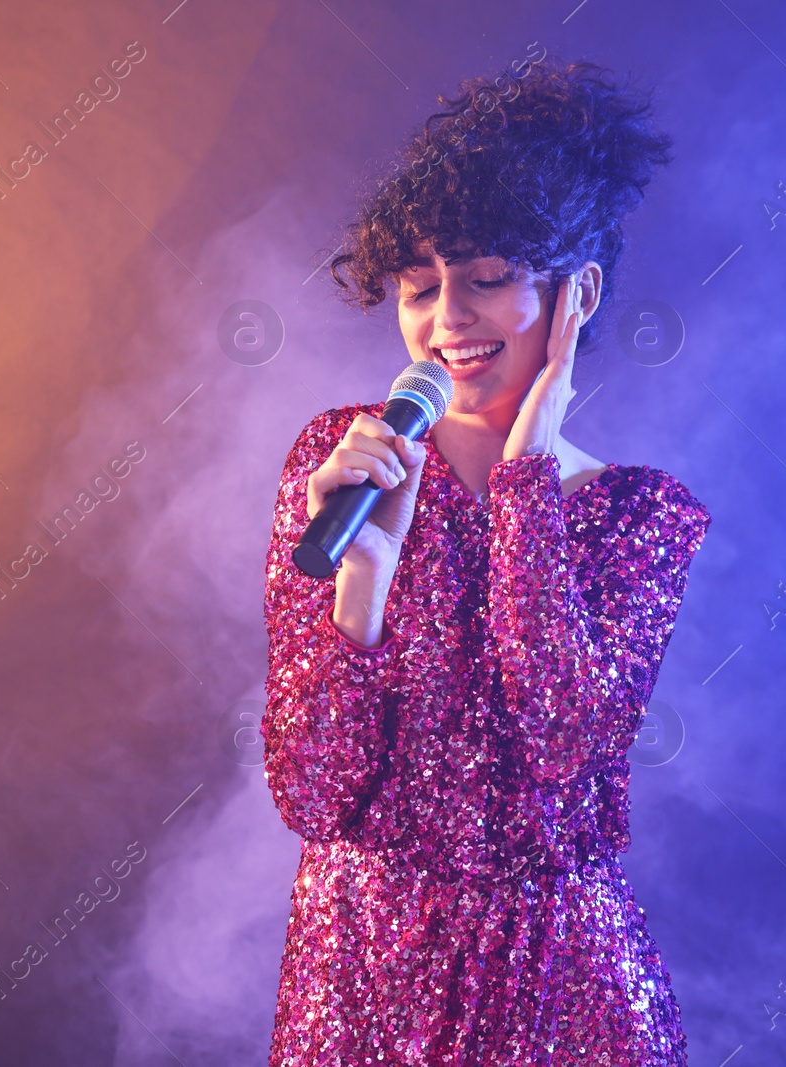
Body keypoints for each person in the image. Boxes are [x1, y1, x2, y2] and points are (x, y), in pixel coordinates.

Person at [261, 59, 711, 1066]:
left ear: (575, 290)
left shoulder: (638, 515)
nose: (447, 320)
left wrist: (525, 489)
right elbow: (313, 791)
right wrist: (361, 583)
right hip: (360, 969)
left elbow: (564, 742)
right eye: (419, 288)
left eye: (487, 278)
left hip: (554, 981)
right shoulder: (335, 465)